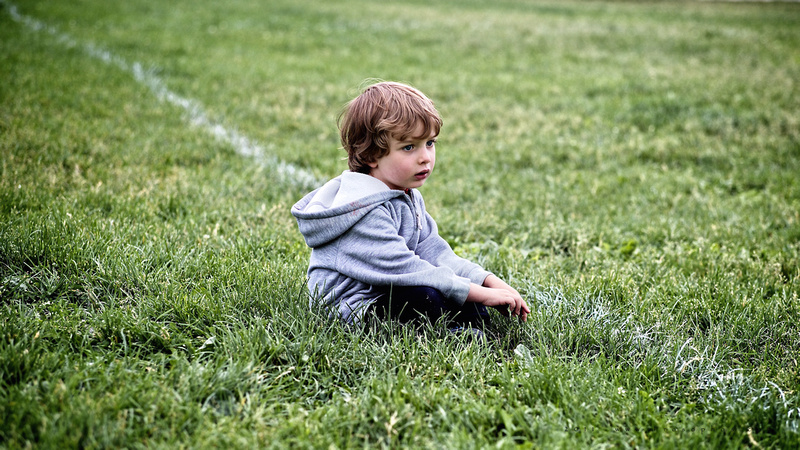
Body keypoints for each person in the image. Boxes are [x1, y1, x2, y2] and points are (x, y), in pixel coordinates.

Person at [291, 81, 529, 330]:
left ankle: (466, 330)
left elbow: (435, 253)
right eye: (408, 147)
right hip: (355, 306)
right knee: (427, 297)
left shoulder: (406, 195)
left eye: (430, 143)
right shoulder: (362, 211)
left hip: (391, 287)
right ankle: (452, 335)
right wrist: (477, 292)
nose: (425, 157)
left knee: (466, 301)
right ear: (371, 155)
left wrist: (487, 281)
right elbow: (408, 269)